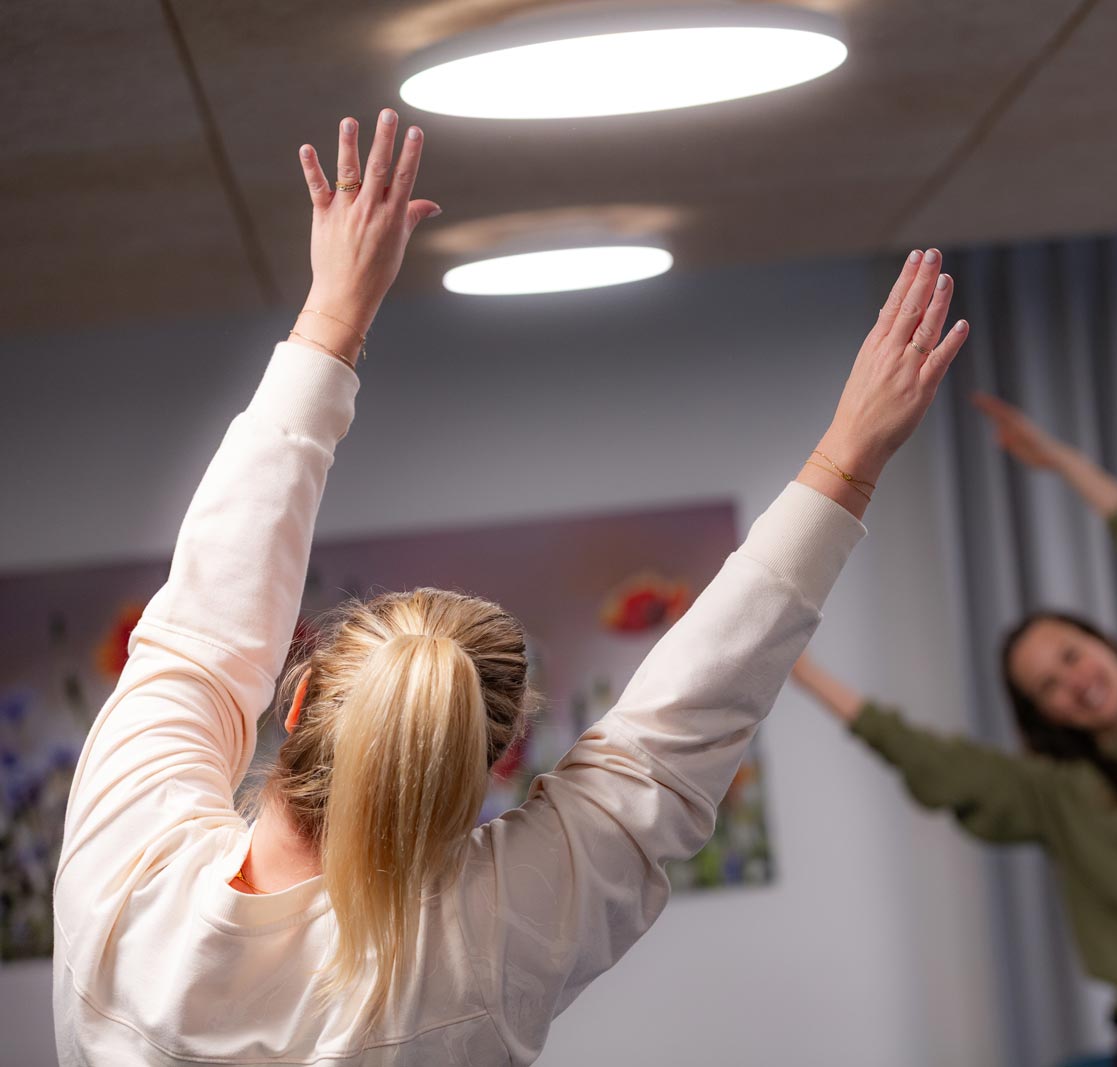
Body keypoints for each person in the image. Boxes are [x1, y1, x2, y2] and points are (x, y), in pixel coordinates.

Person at [51, 107, 969, 1065]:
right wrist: (849, 458)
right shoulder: (468, 951)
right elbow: (662, 755)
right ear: (481, 764)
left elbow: (205, 624)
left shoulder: (127, 866)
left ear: (307, 692)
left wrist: (334, 312)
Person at [789, 394, 1117, 1066]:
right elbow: (926, 758)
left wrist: (1067, 465)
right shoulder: (1054, 792)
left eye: (1070, 656)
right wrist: (800, 668)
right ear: (1043, 717)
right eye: (1047, 685)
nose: (1072, 681)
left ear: (1102, 644)